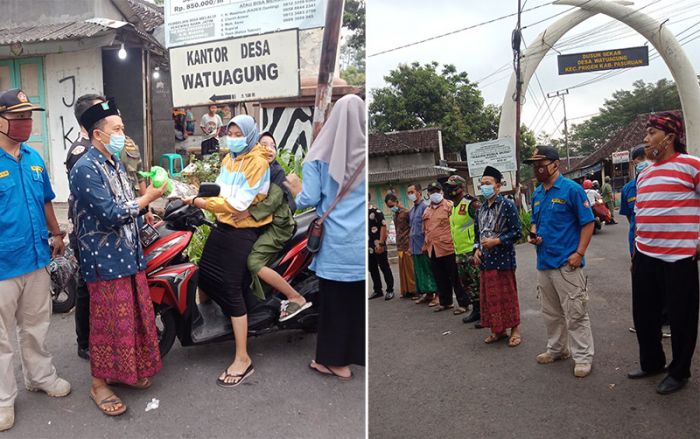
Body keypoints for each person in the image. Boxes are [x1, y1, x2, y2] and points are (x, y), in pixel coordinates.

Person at [70, 99, 165, 416]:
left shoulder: (115, 164)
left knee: (132, 321)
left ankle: (123, 374)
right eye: (117, 129)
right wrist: (147, 198)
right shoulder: (85, 169)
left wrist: (145, 216)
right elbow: (110, 214)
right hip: (105, 262)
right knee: (107, 326)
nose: (123, 135)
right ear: (98, 134)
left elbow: (128, 204)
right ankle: (99, 384)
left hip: (129, 255)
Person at [0, 89, 71, 431]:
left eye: (28, 116)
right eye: (18, 117)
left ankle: (40, 377)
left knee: (36, 326)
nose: (25, 123)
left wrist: (56, 235)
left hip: (36, 258)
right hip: (2, 266)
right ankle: (2, 400)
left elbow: (46, 201)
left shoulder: (33, 158)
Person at [183, 114, 270, 387]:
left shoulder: (258, 163)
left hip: (243, 231)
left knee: (231, 289)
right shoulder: (229, 159)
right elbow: (219, 190)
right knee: (205, 275)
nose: (232, 138)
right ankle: (210, 323)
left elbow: (239, 204)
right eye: (229, 133)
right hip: (222, 226)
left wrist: (200, 203)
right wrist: (193, 192)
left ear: (249, 134)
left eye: (237, 133)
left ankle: (243, 358)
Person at [284, 94, 365, 381]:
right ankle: (355, 354)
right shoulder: (367, 155)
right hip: (359, 243)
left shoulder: (319, 155)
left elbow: (309, 198)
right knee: (355, 303)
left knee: (333, 305)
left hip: (335, 245)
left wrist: (294, 186)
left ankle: (334, 362)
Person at [629, 111, 699, 395]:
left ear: (669, 137)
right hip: (645, 256)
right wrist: (636, 251)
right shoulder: (645, 174)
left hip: (678, 258)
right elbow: (642, 213)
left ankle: (679, 372)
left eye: (651, 133)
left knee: (682, 319)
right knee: (643, 315)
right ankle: (652, 363)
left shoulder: (692, 165)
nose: (645, 139)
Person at [526, 145, 595, 378]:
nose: (538, 169)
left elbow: (588, 222)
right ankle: (557, 349)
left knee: (576, 313)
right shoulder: (537, 193)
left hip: (568, 264)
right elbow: (535, 222)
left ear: (556, 164)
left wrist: (579, 253)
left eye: (541, 163)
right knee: (551, 313)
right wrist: (533, 234)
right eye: (535, 165)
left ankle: (583, 357)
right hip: (544, 263)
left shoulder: (571, 190)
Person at [232, 131, 311, 321]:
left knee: (254, 262)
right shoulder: (254, 170)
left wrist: (247, 213)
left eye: (273, 146)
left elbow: (273, 202)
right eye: (264, 144)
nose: (269, 149)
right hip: (260, 224)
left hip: (277, 227)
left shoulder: (276, 172)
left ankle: (295, 297)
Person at [472, 166, 522, 347]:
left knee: (507, 296)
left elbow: (517, 232)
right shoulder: (480, 209)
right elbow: (477, 233)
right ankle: (498, 330)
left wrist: (497, 241)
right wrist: (476, 249)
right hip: (486, 261)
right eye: (482, 184)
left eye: (488, 183)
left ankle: (515, 330)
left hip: (503, 260)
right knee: (491, 297)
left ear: (498, 186)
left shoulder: (507, 205)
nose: (484, 187)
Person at [422, 182, 471, 314]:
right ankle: (445, 302)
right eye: (431, 192)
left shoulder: (449, 206)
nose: (434, 194)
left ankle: (463, 303)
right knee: (440, 277)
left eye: (437, 191)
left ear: (442, 192)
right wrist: (425, 245)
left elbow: (455, 224)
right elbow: (426, 229)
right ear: (428, 194)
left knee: (456, 278)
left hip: (448, 247)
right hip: (433, 248)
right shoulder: (427, 210)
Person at [443, 175, 480, 320]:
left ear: (461, 187)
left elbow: (481, 226)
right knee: (468, 285)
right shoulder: (453, 206)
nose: (450, 190)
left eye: (453, 187)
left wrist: (478, 248)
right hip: (459, 252)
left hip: (471, 251)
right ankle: (476, 310)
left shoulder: (472, 203)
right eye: (449, 187)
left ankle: (484, 312)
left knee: (478, 283)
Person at [408, 183, 438, 306]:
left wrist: (426, 243)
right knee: (420, 272)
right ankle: (428, 293)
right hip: (415, 246)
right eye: (408, 193)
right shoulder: (412, 211)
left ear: (419, 193)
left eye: (412, 192)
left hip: (424, 245)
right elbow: (412, 229)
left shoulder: (425, 208)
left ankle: (437, 294)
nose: (410, 195)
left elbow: (428, 228)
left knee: (429, 270)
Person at [384, 193, 417, 298]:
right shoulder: (396, 214)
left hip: (407, 244)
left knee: (410, 269)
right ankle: (406, 290)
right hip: (399, 244)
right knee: (402, 270)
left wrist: (411, 244)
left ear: (397, 202)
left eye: (392, 205)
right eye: (389, 207)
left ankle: (414, 290)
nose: (391, 208)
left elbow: (412, 228)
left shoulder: (406, 212)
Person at [368, 192, 394, 300]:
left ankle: (390, 290)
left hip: (378, 244)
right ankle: (378, 290)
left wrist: (382, 243)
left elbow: (383, 226)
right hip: (368, 247)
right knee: (372, 268)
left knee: (384, 267)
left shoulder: (376, 211)